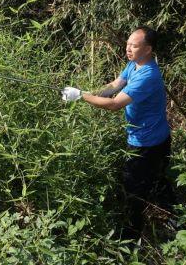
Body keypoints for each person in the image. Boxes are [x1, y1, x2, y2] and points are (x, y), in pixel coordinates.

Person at [62, 26, 173, 239]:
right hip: (151, 136)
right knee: (155, 181)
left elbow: (114, 104)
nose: (128, 49)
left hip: (147, 143)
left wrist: (81, 96)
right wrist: (89, 93)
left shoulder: (148, 75)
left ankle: (131, 238)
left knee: (134, 191)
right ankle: (164, 217)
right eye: (128, 44)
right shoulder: (134, 65)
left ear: (148, 49)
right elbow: (115, 85)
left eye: (134, 45)